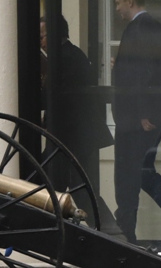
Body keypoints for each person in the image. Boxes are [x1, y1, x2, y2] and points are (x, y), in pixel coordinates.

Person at [39, 15, 118, 236]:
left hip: (72, 135)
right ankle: (106, 229)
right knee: (60, 184)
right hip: (71, 134)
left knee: (72, 187)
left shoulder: (65, 58)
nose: (40, 42)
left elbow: (58, 97)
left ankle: (108, 230)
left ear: (55, 36)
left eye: (42, 36)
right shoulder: (70, 55)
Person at [112, 0, 161, 244]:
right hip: (142, 118)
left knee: (127, 178)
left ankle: (125, 238)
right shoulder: (152, 26)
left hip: (136, 120)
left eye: (119, 1)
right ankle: (124, 233)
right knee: (141, 173)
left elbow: (144, 73)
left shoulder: (138, 28)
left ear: (130, 1)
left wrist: (144, 114)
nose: (117, 7)